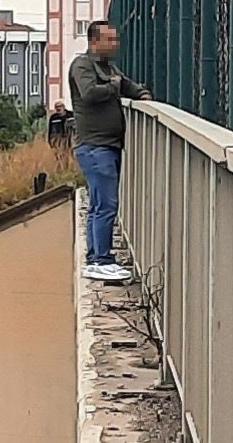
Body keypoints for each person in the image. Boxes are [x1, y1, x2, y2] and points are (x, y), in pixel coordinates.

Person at [69, 20, 152, 281]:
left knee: (98, 204)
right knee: (106, 204)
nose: (115, 44)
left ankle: (97, 257)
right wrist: (113, 87)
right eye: (109, 39)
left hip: (108, 145)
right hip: (94, 147)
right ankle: (101, 259)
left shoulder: (109, 68)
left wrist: (142, 93)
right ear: (94, 41)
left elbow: (127, 85)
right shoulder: (83, 65)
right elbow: (90, 93)